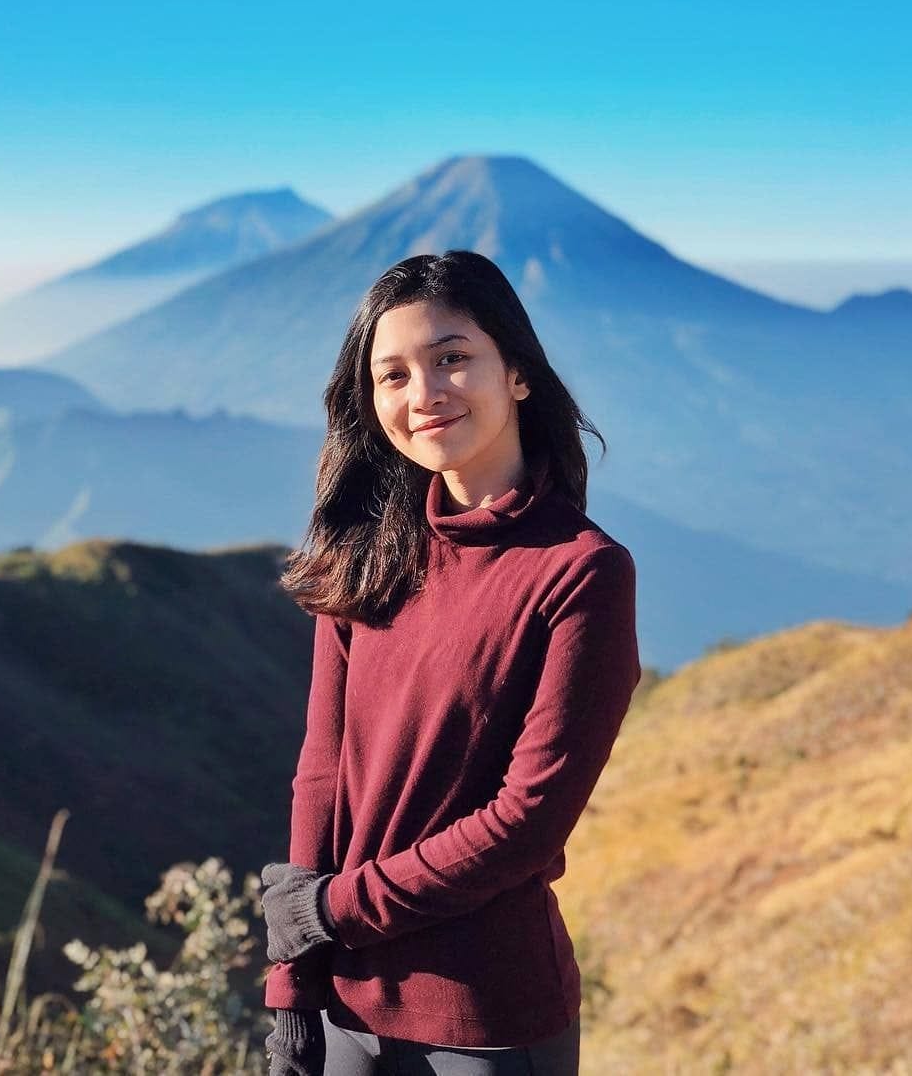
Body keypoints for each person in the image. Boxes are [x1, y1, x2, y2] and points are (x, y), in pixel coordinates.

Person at [258, 249, 641, 1076]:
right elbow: (322, 774)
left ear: (520, 376)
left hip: (486, 1018)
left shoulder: (580, 573)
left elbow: (524, 824)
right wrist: (293, 984)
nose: (423, 395)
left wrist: (331, 911)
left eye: (452, 358)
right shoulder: (366, 553)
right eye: (392, 375)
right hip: (344, 1004)